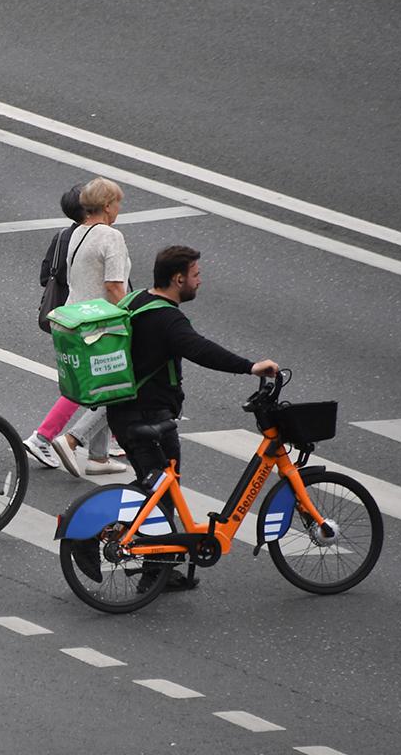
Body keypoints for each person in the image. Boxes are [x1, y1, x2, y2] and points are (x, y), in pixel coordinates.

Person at [103, 245, 280, 592]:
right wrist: (250, 366)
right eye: (196, 275)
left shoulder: (138, 300)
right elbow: (200, 349)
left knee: (159, 489)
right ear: (177, 278)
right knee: (158, 493)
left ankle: (161, 569)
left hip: (126, 412)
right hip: (149, 417)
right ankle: (100, 534)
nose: (200, 281)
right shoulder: (168, 318)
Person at [25, 178, 132, 478]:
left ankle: (98, 458)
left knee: (100, 388)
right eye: (118, 203)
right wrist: (132, 315)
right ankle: (70, 440)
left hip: (74, 319)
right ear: (108, 205)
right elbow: (113, 285)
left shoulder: (77, 234)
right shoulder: (111, 237)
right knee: (119, 388)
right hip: (100, 325)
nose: (119, 209)